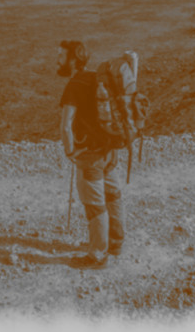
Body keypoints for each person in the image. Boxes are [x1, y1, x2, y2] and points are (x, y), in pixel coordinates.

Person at [58, 39, 124, 269]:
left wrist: (70, 152)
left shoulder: (73, 85)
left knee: (95, 205)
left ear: (73, 59)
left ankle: (97, 256)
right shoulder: (98, 77)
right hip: (108, 150)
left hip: (90, 156)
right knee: (113, 196)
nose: (59, 60)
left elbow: (66, 125)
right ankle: (116, 242)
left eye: (62, 56)